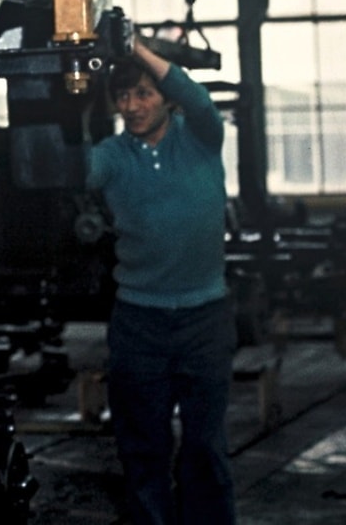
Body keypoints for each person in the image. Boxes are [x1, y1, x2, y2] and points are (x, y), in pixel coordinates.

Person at [87, 38, 235, 525]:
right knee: (142, 447)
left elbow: (195, 96)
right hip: (139, 322)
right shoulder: (111, 155)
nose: (131, 106)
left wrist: (134, 46)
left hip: (204, 319)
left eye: (143, 94)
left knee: (205, 447)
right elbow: (75, 174)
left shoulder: (200, 137)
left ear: (165, 98)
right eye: (123, 96)